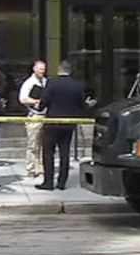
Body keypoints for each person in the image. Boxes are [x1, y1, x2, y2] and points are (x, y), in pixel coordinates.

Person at [38, 60, 96, 191]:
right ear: (70, 71)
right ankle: (61, 183)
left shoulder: (51, 82)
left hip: (52, 122)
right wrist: (88, 105)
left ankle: (48, 182)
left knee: (48, 152)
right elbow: (81, 106)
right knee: (65, 153)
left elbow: (44, 102)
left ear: (59, 70)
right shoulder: (78, 85)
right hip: (68, 123)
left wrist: (40, 106)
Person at [18, 60, 47, 178]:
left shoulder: (46, 81)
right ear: (34, 69)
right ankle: (31, 168)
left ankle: (41, 167)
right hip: (34, 116)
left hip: (46, 116)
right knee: (33, 144)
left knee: (44, 144)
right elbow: (23, 99)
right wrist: (36, 101)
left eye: (44, 69)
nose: (42, 71)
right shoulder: (28, 83)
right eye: (40, 69)